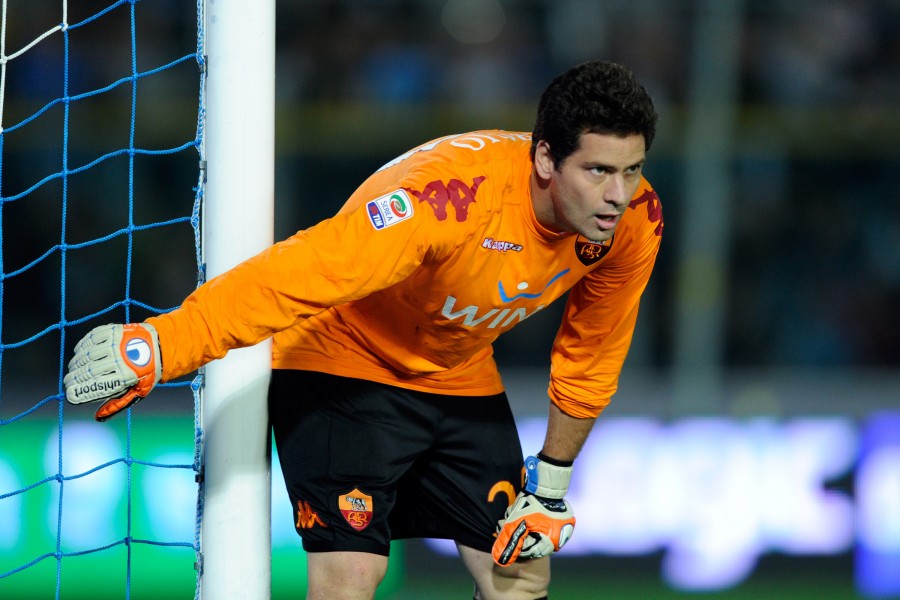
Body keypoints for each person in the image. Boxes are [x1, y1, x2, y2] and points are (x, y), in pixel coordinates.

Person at [64, 60, 662, 600]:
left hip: (456, 371)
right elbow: (300, 273)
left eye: (631, 170)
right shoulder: (447, 202)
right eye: (598, 171)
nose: (617, 195)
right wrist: (167, 344)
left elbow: (593, 351)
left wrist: (551, 488)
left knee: (520, 576)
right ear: (544, 159)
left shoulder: (635, 221)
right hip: (342, 357)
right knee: (350, 575)